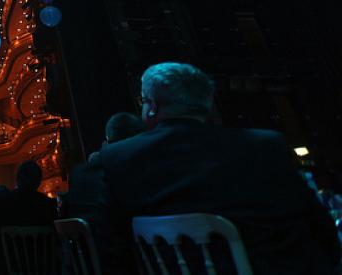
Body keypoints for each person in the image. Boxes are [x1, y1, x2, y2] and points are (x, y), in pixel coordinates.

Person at [100, 62, 342, 275]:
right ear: (206, 103)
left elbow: (115, 246)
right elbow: (320, 226)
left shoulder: (120, 157)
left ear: (151, 106)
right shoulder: (265, 145)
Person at [60, 112, 145, 244]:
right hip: (128, 254)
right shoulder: (127, 168)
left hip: (88, 256)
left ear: (107, 139)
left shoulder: (79, 174)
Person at [0, 162, 57, 273]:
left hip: (9, 267)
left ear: (17, 179)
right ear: (38, 182)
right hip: (44, 267)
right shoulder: (49, 204)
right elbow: (56, 238)